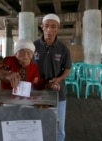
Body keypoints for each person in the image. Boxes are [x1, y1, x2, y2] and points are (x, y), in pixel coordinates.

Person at [33, 13, 71, 141]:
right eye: (47, 26)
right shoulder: (33, 46)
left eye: (53, 26)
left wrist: (58, 79)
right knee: (38, 123)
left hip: (57, 92)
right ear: (42, 27)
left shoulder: (63, 48)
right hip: (37, 92)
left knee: (59, 127)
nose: (49, 30)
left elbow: (67, 69)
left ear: (58, 28)